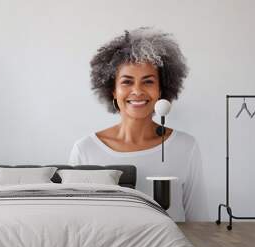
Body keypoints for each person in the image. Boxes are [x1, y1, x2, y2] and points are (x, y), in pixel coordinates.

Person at [69, 27, 208, 221]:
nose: (137, 91)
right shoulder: (85, 150)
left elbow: (200, 222)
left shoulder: (186, 147)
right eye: (127, 82)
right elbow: (77, 222)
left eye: (148, 82)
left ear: (161, 90)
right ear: (113, 91)